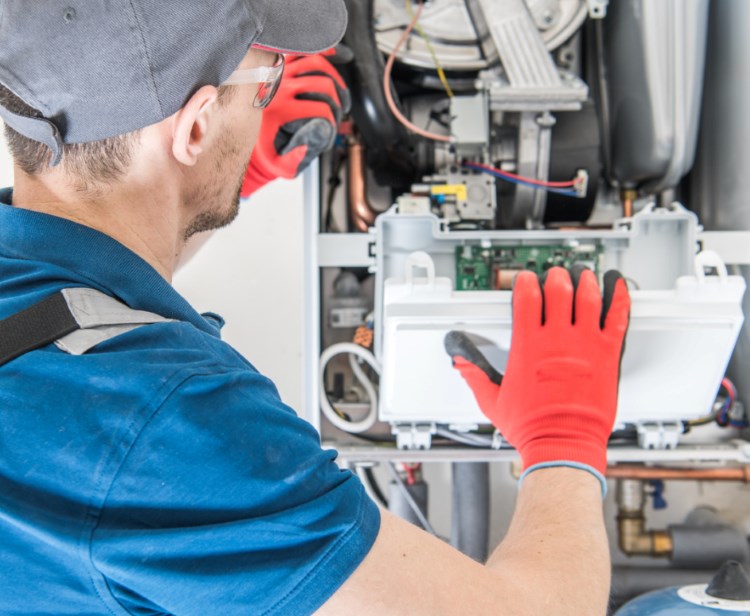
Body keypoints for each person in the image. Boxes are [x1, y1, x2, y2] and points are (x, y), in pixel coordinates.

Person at [0, 1, 630, 614]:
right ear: (194, 128)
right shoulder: (171, 431)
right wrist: (563, 437)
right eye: (266, 79)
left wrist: (208, 182)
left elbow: (86, 279)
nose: (271, 97)